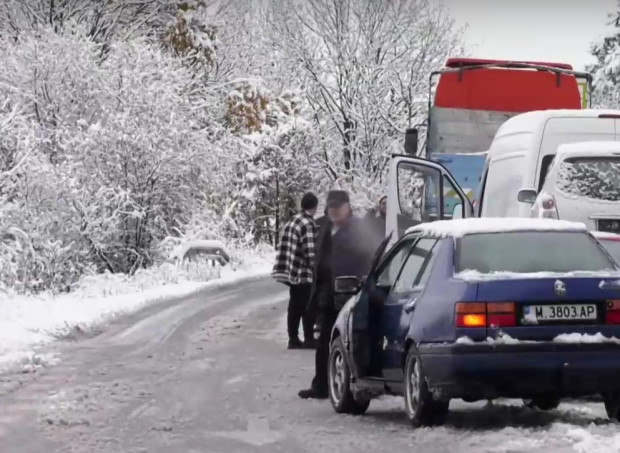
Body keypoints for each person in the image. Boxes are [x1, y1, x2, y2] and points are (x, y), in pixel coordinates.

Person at [298, 190, 376, 399]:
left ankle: (353, 385)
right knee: (324, 341)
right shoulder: (325, 227)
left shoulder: (357, 230)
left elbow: (371, 258)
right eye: (330, 207)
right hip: (327, 293)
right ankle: (321, 385)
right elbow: (320, 262)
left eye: (337, 207)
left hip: (350, 294)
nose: (333, 211)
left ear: (347, 207)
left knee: (348, 341)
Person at [272, 192, 319, 350]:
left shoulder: (293, 220)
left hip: (292, 271)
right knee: (308, 306)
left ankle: (293, 338)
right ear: (314, 207)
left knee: (294, 306)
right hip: (304, 273)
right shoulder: (308, 224)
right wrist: (317, 269)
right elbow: (311, 251)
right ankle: (309, 338)